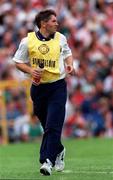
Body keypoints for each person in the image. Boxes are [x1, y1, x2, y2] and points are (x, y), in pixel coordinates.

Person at [13, 9, 75, 176]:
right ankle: (59, 150)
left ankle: (47, 161)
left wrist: (70, 65)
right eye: (53, 21)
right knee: (46, 125)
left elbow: (68, 54)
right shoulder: (28, 41)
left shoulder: (61, 38)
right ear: (43, 23)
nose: (57, 23)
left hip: (57, 87)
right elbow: (18, 61)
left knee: (53, 125)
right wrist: (30, 70)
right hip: (39, 89)